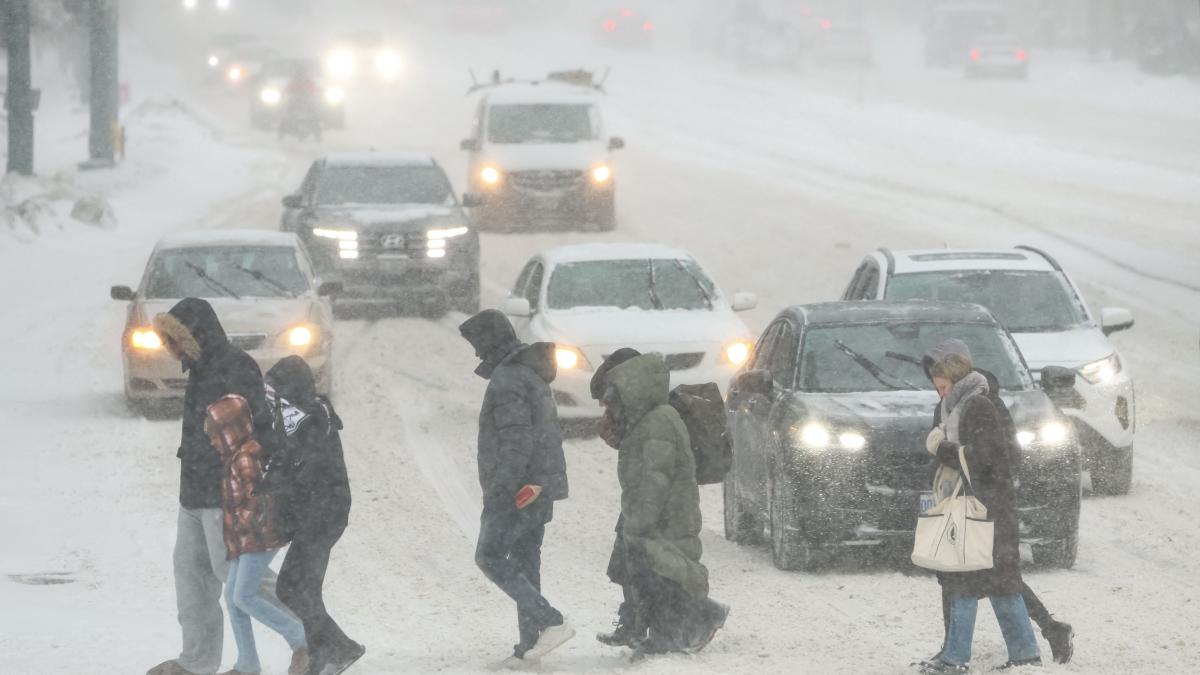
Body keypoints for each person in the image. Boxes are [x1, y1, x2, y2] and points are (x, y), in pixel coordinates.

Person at [146, 298, 306, 675]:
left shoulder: (235, 366)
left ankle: (314, 638)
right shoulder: (197, 369)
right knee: (191, 580)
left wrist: (255, 483)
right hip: (193, 496)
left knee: (244, 582)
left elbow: (258, 429)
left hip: (225, 496)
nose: (169, 348)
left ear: (194, 335)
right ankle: (197, 662)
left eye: (174, 338)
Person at [921, 342, 1074, 667]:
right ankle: (1026, 653)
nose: (939, 394)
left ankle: (955, 659)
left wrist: (944, 449)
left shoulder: (978, 407)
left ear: (955, 380)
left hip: (983, 510)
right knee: (1002, 585)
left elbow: (989, 458)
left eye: (942, 387)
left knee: (963, 583)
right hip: (981, 508)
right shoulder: (956, 407)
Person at [458, 310, 574, 664]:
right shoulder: (528, 373)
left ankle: (549, 620)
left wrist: (502, 488)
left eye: (478, 346)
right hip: (537, 484)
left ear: (490, 342)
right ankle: (530, 647)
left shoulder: (507, 379)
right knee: (524, 560)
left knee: (489, 555)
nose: (477, 354)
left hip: (518, 487)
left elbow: (517, 441)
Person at [598, 353, 727, 660]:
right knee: (656, 572)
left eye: (613, 400)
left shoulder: (658, 422)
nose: (611, 407)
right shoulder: (650, 420)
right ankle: (661, 631)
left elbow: (655, 477)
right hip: (661, 512)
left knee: (663, 574)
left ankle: (678, 629)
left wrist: (640, 519)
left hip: (667, 514)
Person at [265, 356, 365, 675]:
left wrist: (273, 481)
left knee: (291, 588)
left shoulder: (311, 420)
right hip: (318, 513)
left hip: (323, 514)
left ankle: (340, 648)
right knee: (301, 588)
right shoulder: (299, 417)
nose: (273, 396)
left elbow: (303, 470)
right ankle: (324, 654)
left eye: (277, 388)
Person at [205, 395, 308, 675]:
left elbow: (259, 501)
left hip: (259, 539)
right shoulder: (235, 457)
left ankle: (301, 639)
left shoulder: (247, 458)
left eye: (216, 436)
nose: (213, 442)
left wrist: (244, 525)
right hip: (245, 541)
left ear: (230, 431)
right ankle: (247, 663)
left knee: (245, 597)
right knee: (233, 598)